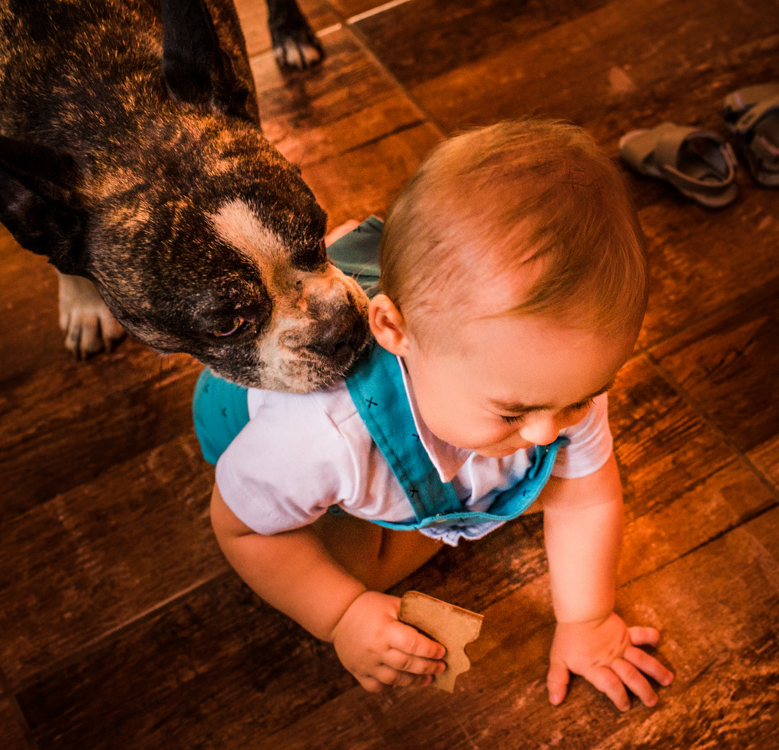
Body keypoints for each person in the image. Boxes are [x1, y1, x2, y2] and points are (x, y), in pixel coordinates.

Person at [196, 118, 674, 712]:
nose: (551, 430)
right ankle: (354, 254)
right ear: (395, 331)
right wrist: (341, 614)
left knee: (564, 476)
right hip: (255, 411)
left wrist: (589, 620)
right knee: (351, 571)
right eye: (514, 412)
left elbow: (589, 496)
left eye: (581, 398)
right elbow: (238, 525)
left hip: (422, 343)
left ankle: (361, 250)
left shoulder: (551, 378)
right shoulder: (322, 436)